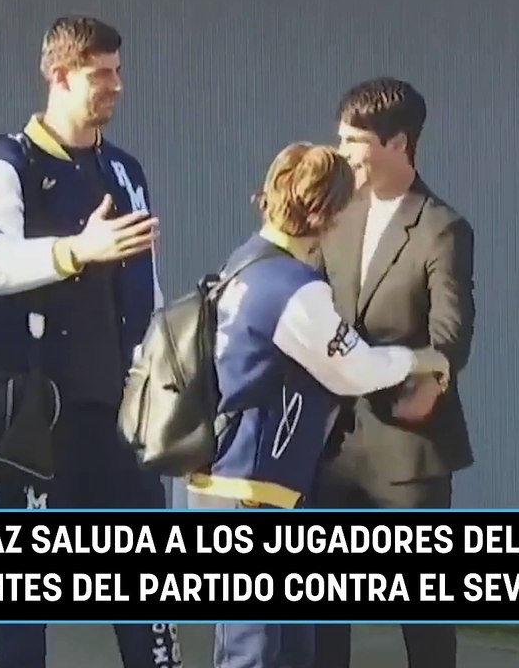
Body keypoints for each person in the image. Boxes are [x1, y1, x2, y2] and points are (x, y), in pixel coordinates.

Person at [0, 15, 180, 668]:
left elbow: (147, 281)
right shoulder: (8, 161)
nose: (116, 85)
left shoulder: (125, 166)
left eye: (119, 70)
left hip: (127, 415)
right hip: (40, 419)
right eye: (100, 74)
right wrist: (76, 251)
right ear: (58, 74)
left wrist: (167, 368)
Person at [188, 141, 451, 668]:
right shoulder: (292, 288)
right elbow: (356, 368)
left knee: (284, 648)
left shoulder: (244, 264)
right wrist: (421, 361)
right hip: (254, 490)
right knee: (256, 652)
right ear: (329, 213)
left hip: (231, 482)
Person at [310, 77, 476, 668]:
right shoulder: (332, 216)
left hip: (407, 451)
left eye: (355, 141)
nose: (344, 153)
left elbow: (451, 332)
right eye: (342, 138)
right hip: (329, 446)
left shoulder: (440, 226)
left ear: (398, 143)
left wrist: (433, 382)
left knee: (425, 624)